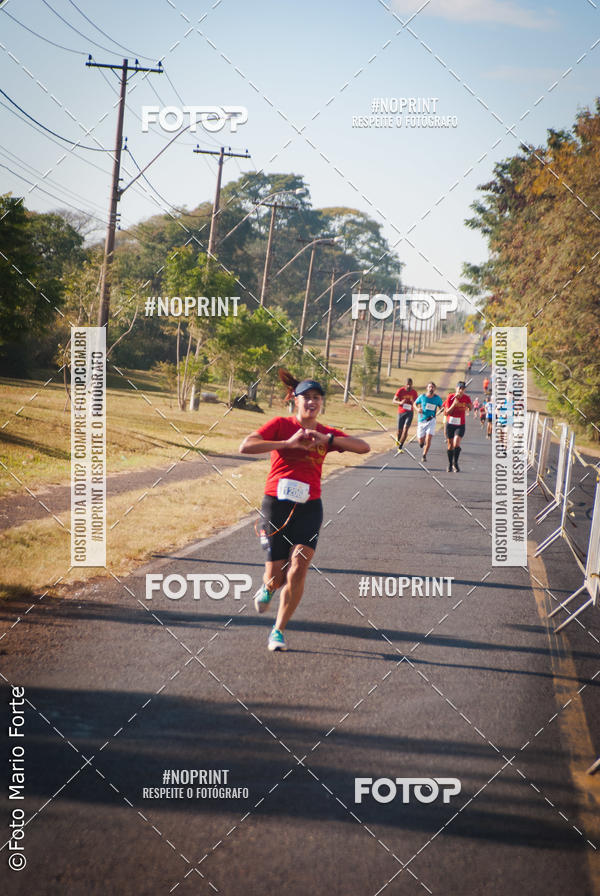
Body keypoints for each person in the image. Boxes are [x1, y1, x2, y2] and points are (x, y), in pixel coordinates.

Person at [239, 370, 370, 652]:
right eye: (306, 397)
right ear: (294, 400)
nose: (311, 402)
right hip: (276, 504)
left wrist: (328, 440)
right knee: (277, 575)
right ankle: (268, 588)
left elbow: (363, 447)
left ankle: (278, 630)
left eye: (317, 398)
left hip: (310, 507)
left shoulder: (324, 433)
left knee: (298, 567)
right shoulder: (281, 425)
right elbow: (245, 446)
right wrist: (287, 444)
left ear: (321, 403)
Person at [442, 380, 472, 472]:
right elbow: (447, 413)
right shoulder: (450, 397)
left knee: (456, 443)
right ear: (456, 388)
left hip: (460, 424)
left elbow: (470, 408)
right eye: (459, 388)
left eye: (463, 389)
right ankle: (450, 464)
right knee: (450, 445)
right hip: (450, 424)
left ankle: (456, 463)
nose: (461, 391)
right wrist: (454, 404)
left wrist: (468, 405)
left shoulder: (466, 398)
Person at [414, 382, 443, 462]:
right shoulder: (422, 397)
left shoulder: (437, 398)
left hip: (431, 420)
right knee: (421, 441)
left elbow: (441, 407)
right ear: (427, 388)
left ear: (435, 389)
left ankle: (424, 455)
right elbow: (414, 404)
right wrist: (417, 409)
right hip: (422, 420)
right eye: (430, 387)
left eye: (433, 387)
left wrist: (441, 409)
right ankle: (421, 443)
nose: (431, 388)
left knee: (429, 438)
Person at [393, 377, 418, 451]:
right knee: (399, 431)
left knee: (405, 429)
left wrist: (413, 402)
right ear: (405, 385)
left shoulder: (414, 392)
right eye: (407, 384)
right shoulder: (401, 390)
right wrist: (400, 402)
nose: (409, 386)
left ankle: (400, 447)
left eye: (410, 384)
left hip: (410, 412)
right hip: (401, 412)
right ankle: (398, 439)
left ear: (412, 384)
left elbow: (416, 404)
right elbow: (393, 400)